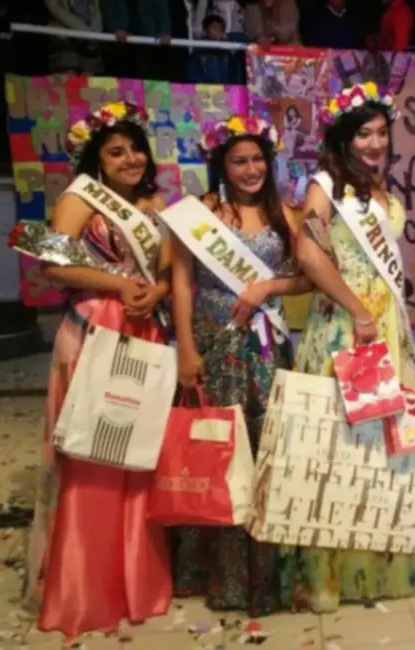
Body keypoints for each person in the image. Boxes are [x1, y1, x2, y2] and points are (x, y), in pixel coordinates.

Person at [280, 82, 415, 612]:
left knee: (389, 445)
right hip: (347, 326)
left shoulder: (378, 187)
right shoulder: (324, 185)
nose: (375, 143)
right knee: (340, 449)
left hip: (386, 324)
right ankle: (330, 573)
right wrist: (357, 309)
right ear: (344, 138)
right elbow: (309, 254)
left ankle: (381, 562)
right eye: (363, 134)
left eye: (380, 133)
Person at [17, 101, 172, 638]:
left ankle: (136, 578)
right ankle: (86, 585)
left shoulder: (154, 203)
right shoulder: (77, 198)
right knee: (93, 453)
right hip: (94, 328)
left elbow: (171, 269)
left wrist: (159, 290)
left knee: (137, 452)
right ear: (96, 160)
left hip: (145, 327)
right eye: (116, 151)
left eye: (136, 149)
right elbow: (51, 265)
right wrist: (118, 284)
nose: (130, 159)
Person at [168, 116, 313, 616]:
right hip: (215, 348)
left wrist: (268, 286)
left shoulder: (283, 213)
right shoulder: (202, 212)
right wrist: (186, 349)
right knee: (219, 457)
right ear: (222, 165)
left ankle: (265, 578)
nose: (251, 169)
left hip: (267, 351)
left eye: (257, 160)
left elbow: (307, 277)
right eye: (239, 161)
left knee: (266, 455)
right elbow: (181, 279)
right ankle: (224, 577)